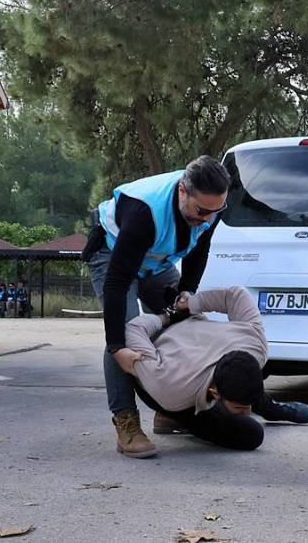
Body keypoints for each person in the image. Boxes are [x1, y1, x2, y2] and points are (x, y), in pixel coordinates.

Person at [84, 156, 236, 458]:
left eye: (216, 211)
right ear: (182, 191)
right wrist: (117, 347)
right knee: (127, 335)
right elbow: (117, 284)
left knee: (188, 324)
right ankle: (126, 421)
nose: (209, 219)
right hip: (112, 255)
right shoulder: (144, 211)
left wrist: (186, 292)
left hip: (155, 262)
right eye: (202, 211)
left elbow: (199, 249)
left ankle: (171, 409)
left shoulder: (211, 206)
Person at [119, 286, 308, 452]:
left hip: (200, 342)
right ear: (215, 392)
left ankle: (269, 408)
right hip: (169, 369)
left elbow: (236, 295)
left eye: (247, 407)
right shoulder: (168, 384)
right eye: (240, 408)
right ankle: (171, 416)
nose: (248, 413)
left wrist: (190, 303)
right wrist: (167, 317)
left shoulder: (255, 345)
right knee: (251, 434)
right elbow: (134, 328)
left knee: (242, 383)